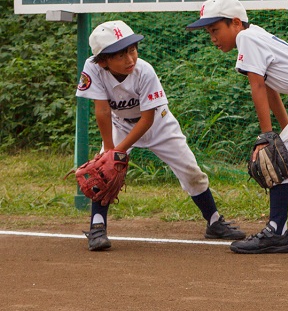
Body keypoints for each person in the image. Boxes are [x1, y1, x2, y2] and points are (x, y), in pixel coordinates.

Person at [187, 0, 288, 254]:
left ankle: (277, 230)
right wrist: (284, 129)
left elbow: (258, 86)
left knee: (275, 157)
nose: (213, 38)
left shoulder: (247, 38)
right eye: (209, 32)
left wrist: (267, 136)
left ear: (236, 23)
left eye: (216, 30)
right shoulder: (255, 35)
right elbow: (271, 87)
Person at [75, 19, 245, 251]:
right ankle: (97, 227)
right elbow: (102, 110)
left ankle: (214, 222)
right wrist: (110, 151)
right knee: (103, 172)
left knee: (191, 171)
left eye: (132, 50)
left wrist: (119, 151)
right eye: (121, 55)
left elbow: (147, 119)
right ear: (103, 61)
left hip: (159, 124)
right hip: (121, 124)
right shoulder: (93, 68)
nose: (130, 59)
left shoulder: (144, 71)